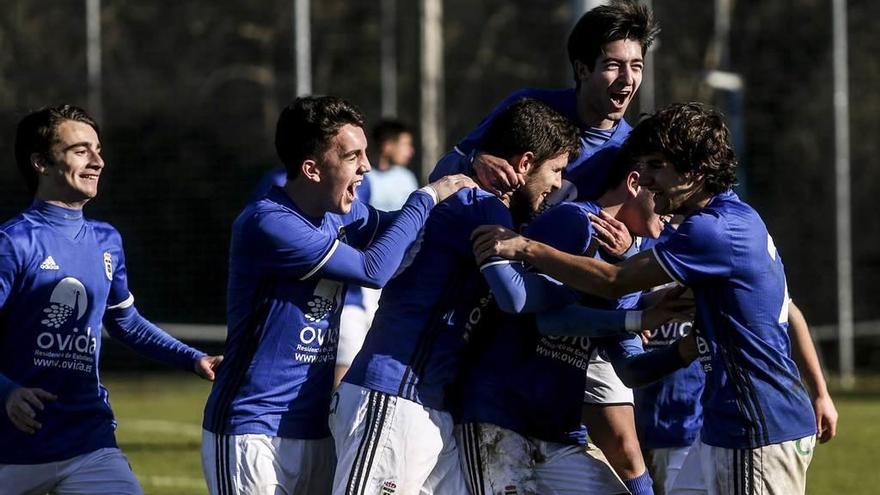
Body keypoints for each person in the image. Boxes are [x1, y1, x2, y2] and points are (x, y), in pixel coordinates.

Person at [473, 102, 819, 494]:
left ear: (695, 169)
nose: (648, 180)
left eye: (657, 165)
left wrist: (527, 249)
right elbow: (628, 352)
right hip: (730, 424)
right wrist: (678, 342)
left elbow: (613, 281)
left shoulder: (713, 231)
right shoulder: (739, 217)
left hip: (755, 424)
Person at [430, 2, 661, 491]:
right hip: (502, 293)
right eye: (613, 65)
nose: (627, 80)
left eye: (636, 66)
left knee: (622, 441)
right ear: (582, 67)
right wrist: (479, 160)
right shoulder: (532, 108)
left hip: (577, 304)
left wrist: (629, 250)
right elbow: (444, 175)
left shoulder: (632, 146)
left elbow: (646, 215)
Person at [201, 95, 474, 494]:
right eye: (351, 156)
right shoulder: (269, 222)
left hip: (315, 428)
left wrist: (465, 176)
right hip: (252, 430)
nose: (365, 166)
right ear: (311, 169)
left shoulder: (340, 214)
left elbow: (399, 227)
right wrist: (426, 197)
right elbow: (373, 270)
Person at [331, 98, 580, 495]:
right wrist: (581, 285)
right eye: (555, 170)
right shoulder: (481, 206)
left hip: (429, 403)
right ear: (525, 161)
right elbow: (514, 297)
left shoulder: (479, 199)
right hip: (394, 395)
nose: (556, 185)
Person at [0, 104, 222, 494]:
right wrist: (8, 392)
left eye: (98, 149)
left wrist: (192, 358)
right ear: (41, 163)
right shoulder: (13, 242)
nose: (98, 161)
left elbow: (125, 322)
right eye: (81, 150)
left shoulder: (107, 241)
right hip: (13, 444)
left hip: (88, 440)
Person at [457, 147, 685, 495]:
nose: (673, 208)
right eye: (662, 188)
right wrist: (637, 316)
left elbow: (630, 367)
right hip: (500, 421)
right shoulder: (575, 222)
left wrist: (691, 346)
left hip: (557, 435)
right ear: (634, 183)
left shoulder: (626, 258)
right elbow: (549, 320)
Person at [368, 119, 420, 211]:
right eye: (405, 144)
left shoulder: (407, 177)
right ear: (387, 146)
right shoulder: (362, 178)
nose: (411, 151)